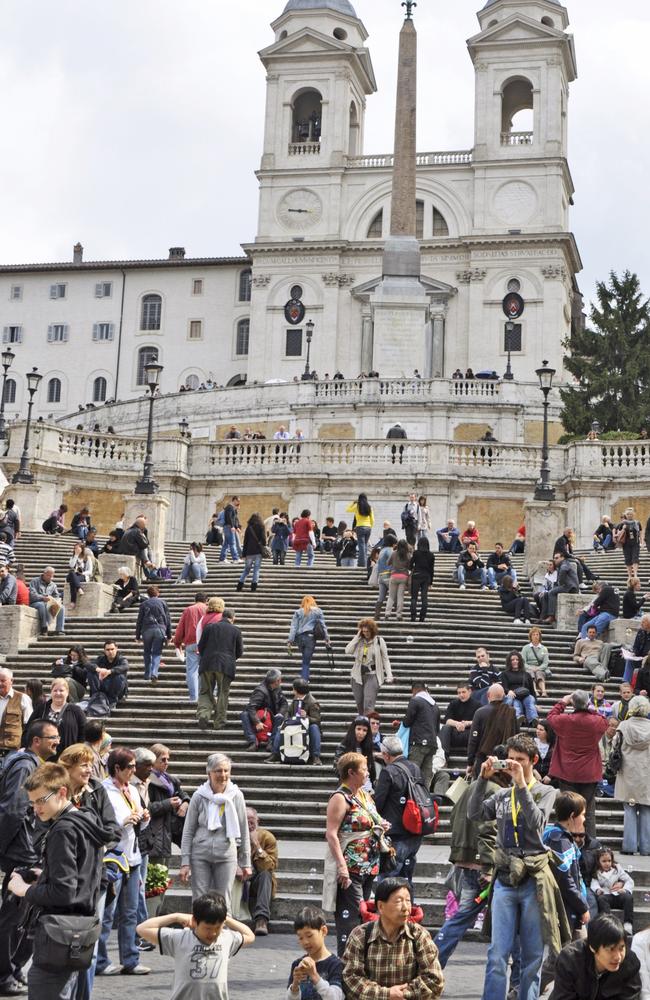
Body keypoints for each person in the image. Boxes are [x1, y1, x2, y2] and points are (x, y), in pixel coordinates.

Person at [7, 762, 115, 1000]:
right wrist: (44, 875)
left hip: (58, 934)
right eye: (32, 802)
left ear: (62, 792)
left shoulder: (62, 830)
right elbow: (90, 877)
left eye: (41, 800)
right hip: (80, 928)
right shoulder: (87, 821)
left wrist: (24, 890)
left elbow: (63, 892)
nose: (36, 808)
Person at [468, 736, 564, 1000]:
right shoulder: (501, 795)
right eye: (512, 761)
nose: (515, 766)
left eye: (521, 761)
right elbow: (473, 814)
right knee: (497, 953)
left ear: (534, 761)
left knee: (533, 956)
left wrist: (521, 784)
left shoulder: (546, 792)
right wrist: (481, 779)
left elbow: (536, 823)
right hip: (505, 879)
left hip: (533, 878)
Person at [0, 721, 60, 996]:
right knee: (13, 918)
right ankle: (3, 974)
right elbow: (13, 811)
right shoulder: (25, 765)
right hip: (18, 853)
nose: (57, 743)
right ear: (36, 740)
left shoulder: (26, 762)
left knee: (20, 917)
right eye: (52, 738)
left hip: (20, 849)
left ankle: (10, 970)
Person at [433, 770, 511, 968]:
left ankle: (433, 959)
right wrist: (487, 866)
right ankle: (432, 960)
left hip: (465, 858)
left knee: (463, 915)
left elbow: (453, 816)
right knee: (464, 917)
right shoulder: (496, 791)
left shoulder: (473, 787)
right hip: (480, 864)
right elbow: (489, 830)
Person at [136, 891, 254, 1000]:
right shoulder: (180, 938)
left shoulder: (226, 938)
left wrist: (226, 919)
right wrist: (176, 916)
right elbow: (141, 929)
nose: (212, 933)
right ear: (195, 921)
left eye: (217, 927)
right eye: (207, 928)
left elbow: (249, 935)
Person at [96, 747, 151, 977]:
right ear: (116, 768)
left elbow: (139, 825)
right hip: (114, 858)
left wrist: (143, 818)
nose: (133, 770)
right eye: (129, 767)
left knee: (130, 911)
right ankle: (100, 960)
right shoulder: (104, 790)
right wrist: (124, 821)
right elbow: (106, 823)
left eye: (134, 766)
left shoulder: (133, 790)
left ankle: (130, 959)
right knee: (107, 912)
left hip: (133, 855)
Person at [323, 752, 384, 957]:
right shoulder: (340, 798)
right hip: (351, 867)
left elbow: (373, 818)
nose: (368, 773)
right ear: (351, 772)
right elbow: (331, 834)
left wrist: (381, 825)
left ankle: (359, 961)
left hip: (370, 865)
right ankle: (346, 963)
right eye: (364, 769)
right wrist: (341, 866)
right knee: (351, 918)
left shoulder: (364, 795)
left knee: (364, 916)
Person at [342, 877, 444, 999]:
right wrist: (386, 994)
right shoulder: (360, 935)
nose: (406, 908)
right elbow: (350, 979)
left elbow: (434, 979)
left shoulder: (419, 935)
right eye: (399, 901)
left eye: (408, 900)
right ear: (380, 906)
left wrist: (402, 994)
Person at [180, 753, 251, 911]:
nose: (223, 775)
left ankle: (224, 934)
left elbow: (244, 829)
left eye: (226, 770)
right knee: (199, 899)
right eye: (218, 771)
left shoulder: (236, 796)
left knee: (224, 899)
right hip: (200, 853)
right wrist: (185, 862)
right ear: (209, 773)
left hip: (226, 853)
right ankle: (198, 933)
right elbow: (188, 831)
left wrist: (246, 862)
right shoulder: (199, 796)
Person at [547, 691, 608, 837]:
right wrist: (589, 707)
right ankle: (590, 844)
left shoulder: (564, 720)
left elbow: (550, 717)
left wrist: (563, 702)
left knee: (567, 808)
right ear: (587, 703)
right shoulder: (596, 721)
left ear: (573, 703)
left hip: (567, 771)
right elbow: (604, 718)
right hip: (589, 772)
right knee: (589, 811)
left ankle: (566, 841)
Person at [374, 736, 426, 886]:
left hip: (396, 832)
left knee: (388, 879)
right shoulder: (414, 767)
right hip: (415, 830)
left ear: (386, 755)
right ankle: (407, 907)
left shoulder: (388, 771)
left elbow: (379, 803)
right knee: (406, 879)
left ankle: (387, 908)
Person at [551, 913, 641, 999]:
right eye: (611, 949)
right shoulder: (569, 960)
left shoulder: (630, 963)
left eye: (621, 948)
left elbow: (630, 996)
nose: (618, 957)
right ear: (593, 947)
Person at [542, 791, 590, 937]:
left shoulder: (557, 836)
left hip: (567, 906)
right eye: (582, 814)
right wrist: (582, 907)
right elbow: (565, 880)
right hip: (564, 908)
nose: (584, 819)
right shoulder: (561, 842)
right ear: (572, 817)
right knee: (567, 952)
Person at [614, 695, 650, 856]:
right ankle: (646, 847)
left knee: (629, 809)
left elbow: (615, 745)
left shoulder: (623, 726)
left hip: (628, 772)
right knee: (646, 809)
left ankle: (629, 846)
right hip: (647, 773)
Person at [198, 608, 243, 731]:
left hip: (207, 663)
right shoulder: (236, 630)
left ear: (222, 616)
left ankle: (204, 714)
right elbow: (240, 651)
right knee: (223, 693)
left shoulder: (209, 627)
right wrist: (231, 658)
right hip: (226, 666)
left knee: (205, 691)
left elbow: (201, 646)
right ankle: (219, 722)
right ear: (233, 618)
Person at [287, 906, 344, 1000]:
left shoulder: (336, 964)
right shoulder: (297, 964)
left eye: (309, 935)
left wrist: (315, 976)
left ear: (324, 931)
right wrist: (295, 985)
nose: (305, 942)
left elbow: (336, 997)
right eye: (300, 938)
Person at [147, 743, 190, 866]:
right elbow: (147, 807)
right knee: (155, 874)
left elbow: (183, 794)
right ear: (153, 761)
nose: (166, 763)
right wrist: (168, 804)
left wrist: (185, 803)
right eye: (163, 759)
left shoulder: (170, 779)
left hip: (168, 831)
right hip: (154, 833)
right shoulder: (148, 780)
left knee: (162, 873)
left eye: (167, 759)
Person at [24, 678, 86, 756]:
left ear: (67, 692)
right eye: (55, 690)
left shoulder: (76, 711)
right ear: (51, 692)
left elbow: (83, 733)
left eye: (61, 690)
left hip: (67, 758)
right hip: (43, 758)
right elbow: (29, 729)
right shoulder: (42, 709)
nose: (58, 693)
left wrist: (77, 752)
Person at [267, 678, 322, 765]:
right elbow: (288, 712)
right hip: (294, 725)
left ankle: (316, 756)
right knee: (280, 727)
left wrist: (306, 717)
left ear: (296, 690)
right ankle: (275, 754)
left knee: (314, 728)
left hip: (306, 728)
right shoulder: (296, 698)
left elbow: (317, 720)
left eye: (293, 688)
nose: (292, 690)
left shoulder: (312, 702)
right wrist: (286, 721)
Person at [466, 683, 518, 776]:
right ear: (503, 696)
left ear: (488, 695)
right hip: (504, 761)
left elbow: (473, 739)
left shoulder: (480, 712)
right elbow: (516, 737)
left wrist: (470, 762)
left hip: (484, 760)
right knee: (502, 788)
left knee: (481, 787)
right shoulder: (511, 712)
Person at [346, 618, 392, 715]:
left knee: (368, 705)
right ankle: (362, 726)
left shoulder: (379, 641)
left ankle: (369, 727)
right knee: (359, 704)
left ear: (372, 630)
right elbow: (348, 650)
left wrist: (389, 675)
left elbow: (385, 659)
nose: (365, 633)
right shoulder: (359, 640)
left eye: (367, 631)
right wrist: (357, 637)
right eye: (363, 631)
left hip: (372, 675)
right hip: (357, 676)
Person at [245, 807, 278, 937]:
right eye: (245, 821)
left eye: (251, 822)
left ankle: (261, 920)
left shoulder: (267, 837)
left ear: (258, 821)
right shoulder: (233, 835)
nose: (248, 825)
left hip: (257, 882)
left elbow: (270, 865)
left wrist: (257, 846)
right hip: (239, 881)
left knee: (266, 874)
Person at [401, 682, 440, 790]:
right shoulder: (434, 705)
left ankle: (412, 799)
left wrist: (401, 723)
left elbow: (407, 722)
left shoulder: (415, 700)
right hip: (432, 744)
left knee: (413, 773)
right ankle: (424, 799)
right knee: (425, 776)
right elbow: (437, 728)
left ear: (414, 690)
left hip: (418, 743)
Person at [240, 668, 289, 751]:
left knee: (280, 717)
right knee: (244, 714)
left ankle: (272, 742)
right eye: (280, 679)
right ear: (276, 681)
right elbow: (251, 707)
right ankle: (253, 741)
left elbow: (284, 703)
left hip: (273, 717)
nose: (281, 681)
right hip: (260, 717)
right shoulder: (260, 691)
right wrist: (257, 722)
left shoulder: (278, 688)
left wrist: (280, 713)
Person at [173, 592, 207, 703]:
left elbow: (180, 627)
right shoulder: (209, 610)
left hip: (191, 643)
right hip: (206, 643)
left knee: (192, 671)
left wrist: (177, 642)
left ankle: (194, 697)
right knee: (205, 670)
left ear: (195, 599)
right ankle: (204, 696)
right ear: (206, 600)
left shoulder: (188, 610)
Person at [287, 595, 330, 682]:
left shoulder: (298, 612)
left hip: (299, 638)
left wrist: (290, 640)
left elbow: (294, 627)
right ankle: (304, 680)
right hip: (310, 638)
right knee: (306, 661)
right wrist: (327, 638)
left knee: (305, 659)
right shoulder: (318, 611)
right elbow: (323, 626)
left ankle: (305, 677)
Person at [590, 849, 635, 932]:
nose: (607, 863)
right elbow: (594, 884)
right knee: (601, 899)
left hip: (618, 894)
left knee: (628, 898)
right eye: (604, 861)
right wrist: (598, 889)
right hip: (606, 896)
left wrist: (625, 889)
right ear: (598, 862)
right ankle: (608, 923)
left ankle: (628, 924)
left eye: (609, 861)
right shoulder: (597, 872)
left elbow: (629, 880)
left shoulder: (617, 869)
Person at [135, 584, 172, 684]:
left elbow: (139, 620)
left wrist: (137, 636)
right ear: (158, 593)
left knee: (147, 652)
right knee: (157, 652)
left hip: (147, 630)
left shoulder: (144, 604)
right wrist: (169, 636)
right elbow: (167, 620)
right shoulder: (163, 603)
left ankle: (147, 673)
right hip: (160, 629)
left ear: (148, 594)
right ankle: (154, 673)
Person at [439, 682, 479, 761]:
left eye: (463, 692)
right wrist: (457, 724)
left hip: (469, 734)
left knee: (477, 730)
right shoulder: (453, 703)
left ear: (470, 691)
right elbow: (447, 720)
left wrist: (467, 723)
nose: (461, 695)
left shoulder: (477, 704)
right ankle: (444, 758)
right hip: (455, 733)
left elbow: (481, 721)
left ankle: (473, 759)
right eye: (459, 693)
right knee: (445, 728)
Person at [0, 667, 33, 758]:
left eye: (3, 681)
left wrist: (24, 747)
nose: (0, 683)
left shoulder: (23, 698)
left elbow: (29, 725)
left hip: (13, 750)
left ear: (11, 681)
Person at [334, 716, 375, 788]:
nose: (361, 733)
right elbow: (337, 769)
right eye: (358, 729)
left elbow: (371, 771)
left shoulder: (368, 747)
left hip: (366, 785)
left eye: (364, 730)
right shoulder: (344, 747)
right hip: (348, 785)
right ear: (353, 729)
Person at [541, 551, 580, 624]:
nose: (555, 559)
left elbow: (564, 570)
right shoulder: (560, 565)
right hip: (567, 586)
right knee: (547, 593)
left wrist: (560, 582)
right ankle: (543, 616)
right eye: (554, 558)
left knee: (551, 593)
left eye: (557, 558)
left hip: (571, 587)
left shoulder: (565, 563)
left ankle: (551, 616)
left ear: (562, 558)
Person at [86, 639, 129, 707]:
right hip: (103, 686)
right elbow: (88, 664)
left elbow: (125, 666)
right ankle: (96, 697)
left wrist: (109, 671)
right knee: (91, 673)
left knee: (119, 676)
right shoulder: (101, 659)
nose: (110, 651)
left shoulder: (121, 659)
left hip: (116, 690)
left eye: (112, 649)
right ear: (104, 651)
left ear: (116, 649)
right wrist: (99, 669)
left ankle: (112, 700)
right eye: (108, 650)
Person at [500, 650, 538, 725]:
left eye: (517, 659)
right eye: (512, 660)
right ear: (509, 662)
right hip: (513, 695)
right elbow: (503, 687)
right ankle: (519, 719)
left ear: (520, 661)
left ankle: (533, 720)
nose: (515, 661)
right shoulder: (504, 674)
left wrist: (535, 703)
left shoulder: (526, 674)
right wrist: (508, 691)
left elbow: (532, 690)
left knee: (530, 701)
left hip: (526, 695)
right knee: (516, 704)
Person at [29, 566, 66, 635]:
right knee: (42, 605)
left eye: (52, 576)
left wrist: (57, 600)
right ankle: (44, 627)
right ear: (44, 574)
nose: (50, 578)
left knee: (62, 608)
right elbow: (32, 594)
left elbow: (56, 595)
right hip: (36, 603)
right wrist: (42, 598)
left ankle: (59, 629)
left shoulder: (53, 585)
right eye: (49, 576)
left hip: (48, 603)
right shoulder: (35, 581)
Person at [237, 513, 266, 591]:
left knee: (246, 570)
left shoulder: (249, 527)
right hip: (258, 552)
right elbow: (264, 540)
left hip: (249, 552)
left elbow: (245, 541)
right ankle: (253, 587)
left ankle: (239, 585)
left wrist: (243, 554)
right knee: (256, 570)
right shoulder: (261, 526)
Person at [385, 538, 412, 619]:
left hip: (394, 576)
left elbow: (388, 563)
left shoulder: (394, 553)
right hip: (404, 577)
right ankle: (399, 614)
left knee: (391, 596)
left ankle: (387, 613)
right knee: (400, 596)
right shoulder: (408, 555)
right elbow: (410, 567)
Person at [521, 626, 551, 697]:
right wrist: (530, 668)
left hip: (539, 667)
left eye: (537, 634)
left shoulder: (544, 649)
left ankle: (543, 691)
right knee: (531, 674)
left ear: (540, 636)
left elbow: (545, 662)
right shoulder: (525, 648)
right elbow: (523, 662)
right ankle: (534, 690)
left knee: (539, 674)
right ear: (530, 636)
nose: (535, 636)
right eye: (533, 635)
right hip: (529, 667)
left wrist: (538, 668)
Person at [409, 536, 435, 622]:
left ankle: (413, 616)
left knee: (414, 597)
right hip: (426, 577)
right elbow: (432, 569)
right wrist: (431, 582)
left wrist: (413, 568)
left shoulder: (416, 553)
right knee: (424, 597)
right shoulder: (431, 555)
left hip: (416, 575)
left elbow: (410, 564)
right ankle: (422, 617)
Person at [615, 508, 642, 583]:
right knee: (628, 559)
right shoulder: (622, 523)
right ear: (626, 515)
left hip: (635, 543)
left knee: (635, 558)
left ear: (633, 514)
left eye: (631, 514)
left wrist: (642, 542)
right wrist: (623, 529)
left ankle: (635, 575)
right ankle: (630, 576)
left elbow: (640, 532)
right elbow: (617, 534)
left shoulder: (637, 523)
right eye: (628, 514)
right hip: (626, 544)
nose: (629, 515)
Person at [373, 533, 397, 619]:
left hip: (381, 576)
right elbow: (393, 562)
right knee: (394, 595)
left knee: (381, 597)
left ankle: (377, 615)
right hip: (388, 575)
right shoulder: (390, 550)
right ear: (392, 543)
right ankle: (397, 614)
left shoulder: (382, 550)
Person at [346, 494, 373, 569]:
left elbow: (347, 509)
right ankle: (363, 562)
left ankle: (362, 564)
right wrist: (370, 526)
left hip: (360, 527)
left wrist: (353, 503)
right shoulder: (369, 507)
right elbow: (372, 519)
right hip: (368, 528)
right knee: (364, 545)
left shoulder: (357, 506)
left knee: (361, 546)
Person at [219, 496, 242, 564]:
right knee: (232, 543)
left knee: (226, 544)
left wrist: (236, 527)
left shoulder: (230, 508)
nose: (238, 502)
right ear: (234, 500)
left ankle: (222, 559)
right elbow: (229, 517)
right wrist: (232, 526)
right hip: (229, 527)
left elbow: (233, 519)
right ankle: (235, 558)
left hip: (228, 527)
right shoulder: (230, 507)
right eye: (238, 501)